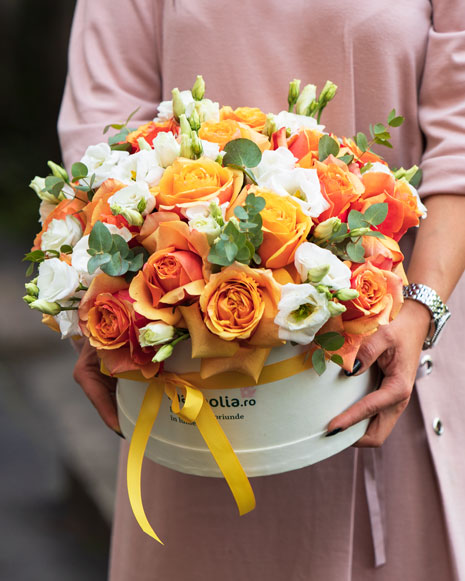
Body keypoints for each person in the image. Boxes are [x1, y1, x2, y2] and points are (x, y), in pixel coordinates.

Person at [58, 1, 465, 579]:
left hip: (393, 369)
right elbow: (99, 138)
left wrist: (420, 311)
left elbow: (460, 148)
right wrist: (102, 307)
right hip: (191, 398)